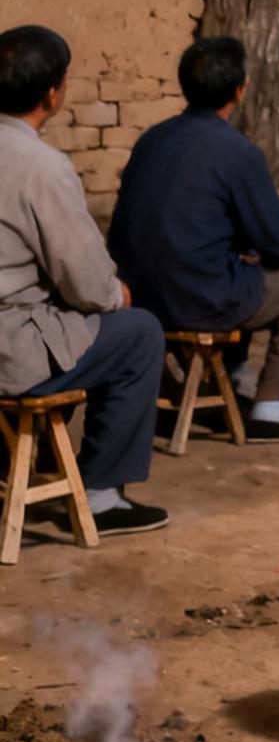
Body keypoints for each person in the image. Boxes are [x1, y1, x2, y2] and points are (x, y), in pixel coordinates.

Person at [109, 37, 279, 443]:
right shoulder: (237, 152)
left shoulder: (151, 139)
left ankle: (233, 379)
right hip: (199, 299)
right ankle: (270, 409)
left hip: (143, 292)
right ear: (240, 90)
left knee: (247, 267)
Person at [0, 26, 167, 538]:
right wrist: (116, 295)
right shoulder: (40, 167)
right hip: (9, 348)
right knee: (139, 333)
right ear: (54, 93)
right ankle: (101, 493)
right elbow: (89, 283)